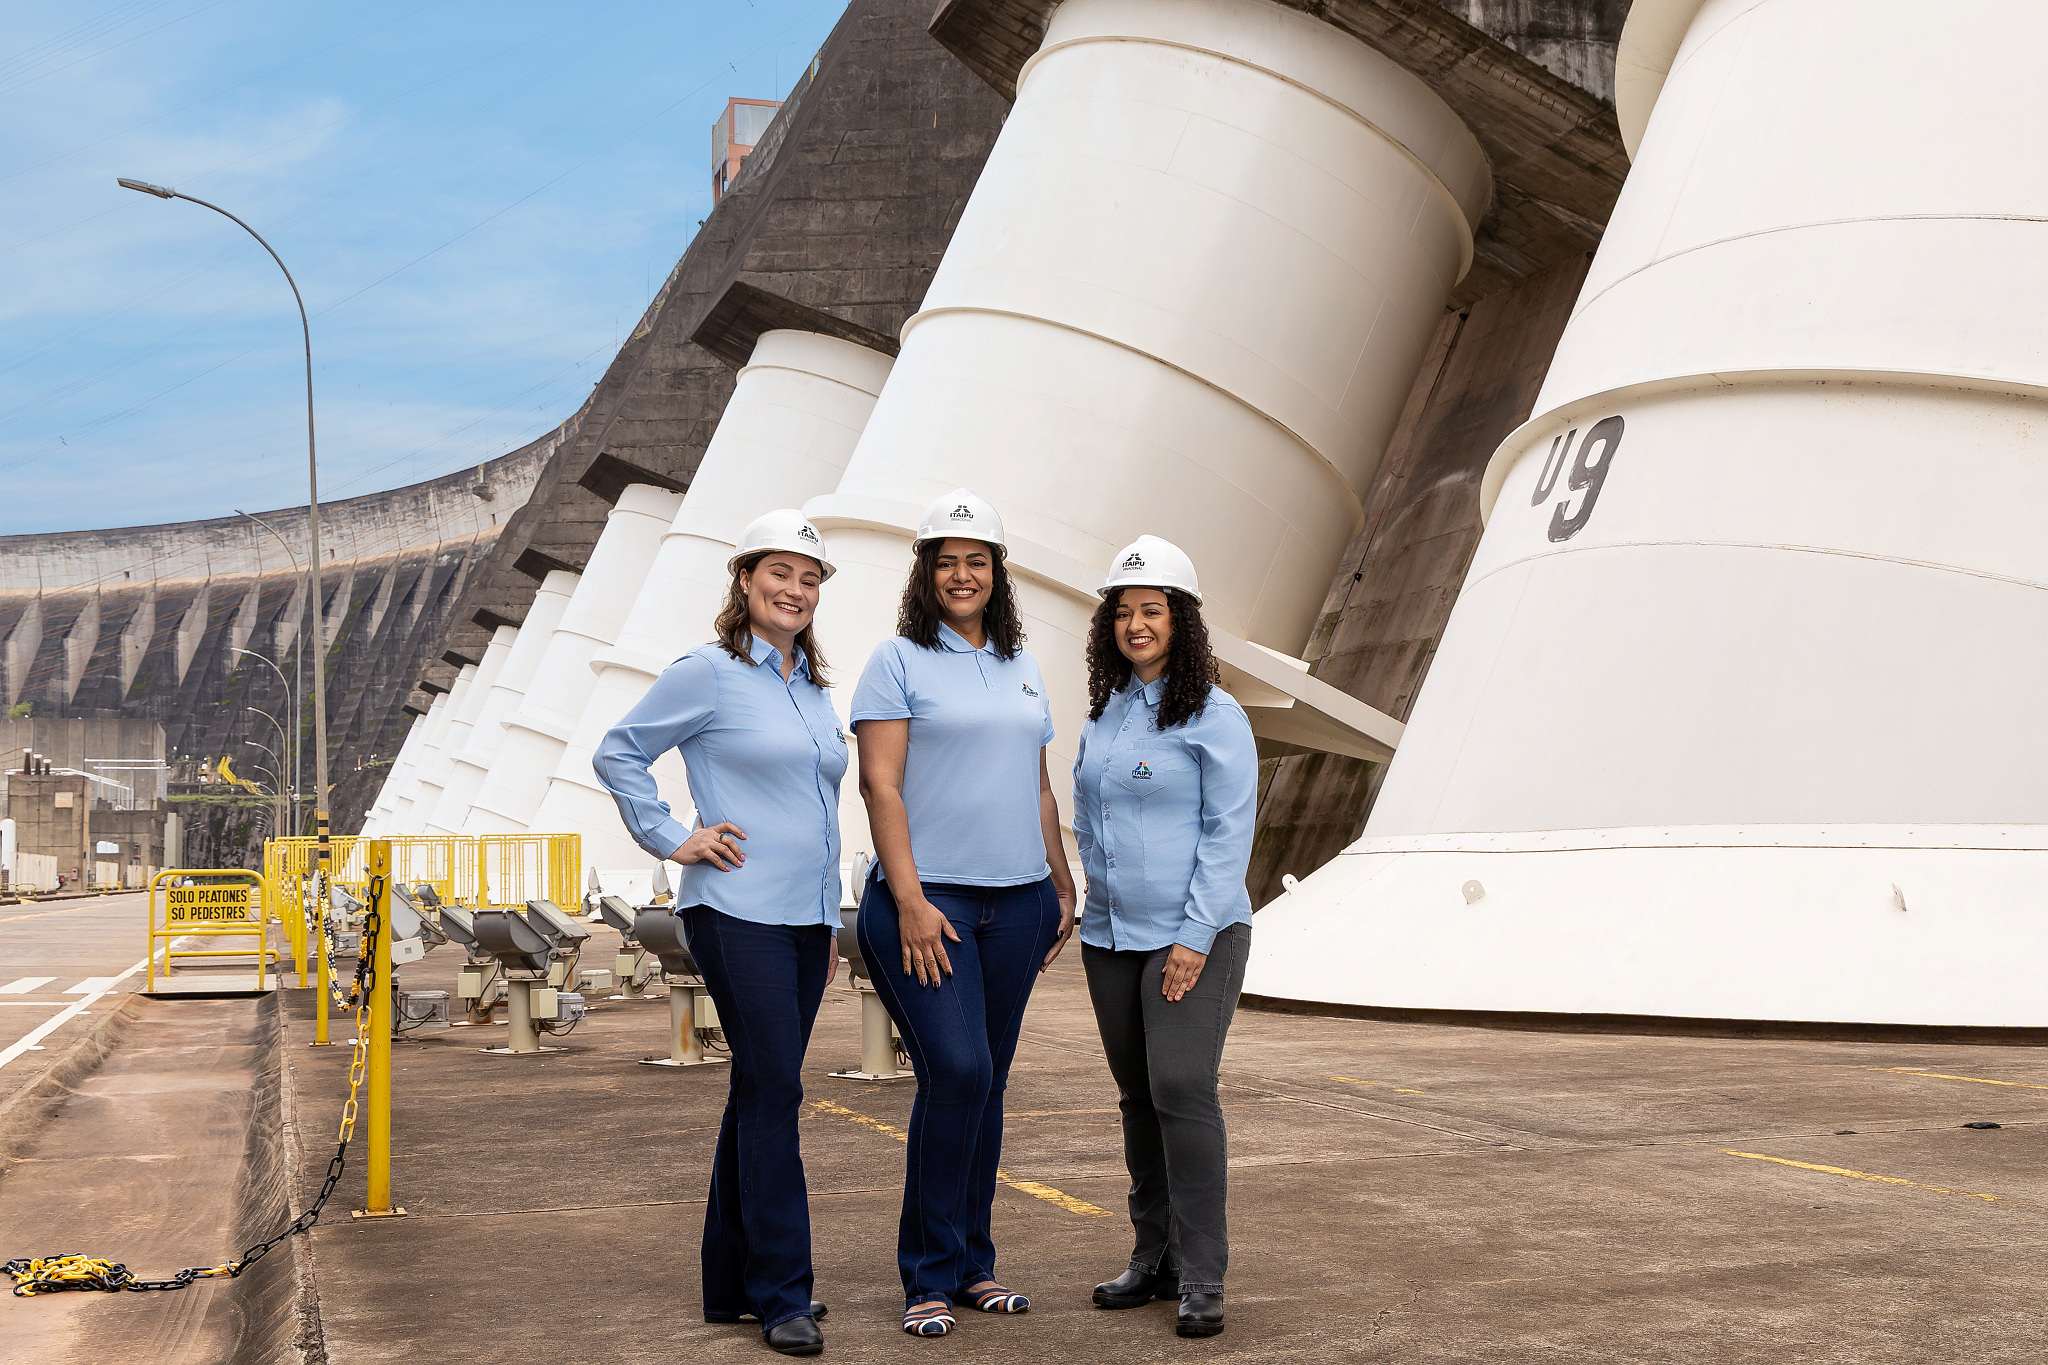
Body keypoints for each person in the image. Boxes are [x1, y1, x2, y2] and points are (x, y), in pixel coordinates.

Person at [593, 509, 845, 1359]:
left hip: (805, 918)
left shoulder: (812, 684)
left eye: (810, 579)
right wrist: (672, 835)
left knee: (759, 1092)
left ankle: (730, 1283)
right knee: (776, 1091)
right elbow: (620, 751)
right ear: (745, 579)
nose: (796, 590)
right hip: (736, 910)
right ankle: (784, 1293)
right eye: (781, 573)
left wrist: (834, 913)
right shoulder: (706, 672)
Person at [851, 488, 1076, 1338]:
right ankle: (927, 1274)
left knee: (988, 1083)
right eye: (946, 560)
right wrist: (908, 899)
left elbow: (1038, 783)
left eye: (975, 560)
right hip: (929, 900)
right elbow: (881, 784)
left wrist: (1061, 882)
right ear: (926, 573)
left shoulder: (1021, 662)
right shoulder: (898, 659)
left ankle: (975, 1264)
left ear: (996, 573)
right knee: (959, 1071)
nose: (962, 573)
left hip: (1017, 902)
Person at [1072, 535, 1257, 1340]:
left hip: (1192, 936)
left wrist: (1193, 935)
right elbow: (1088, 815)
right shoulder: (1106, 712)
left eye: (1152, 610)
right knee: (1138, 1098)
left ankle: (1204, 1273)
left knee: (1182, 1087)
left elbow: (1228, 833)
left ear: (1182, 622)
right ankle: (1155, 1257)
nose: (1136, 624)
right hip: (1109, 937)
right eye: (1124, 612)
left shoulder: (1215, 715)